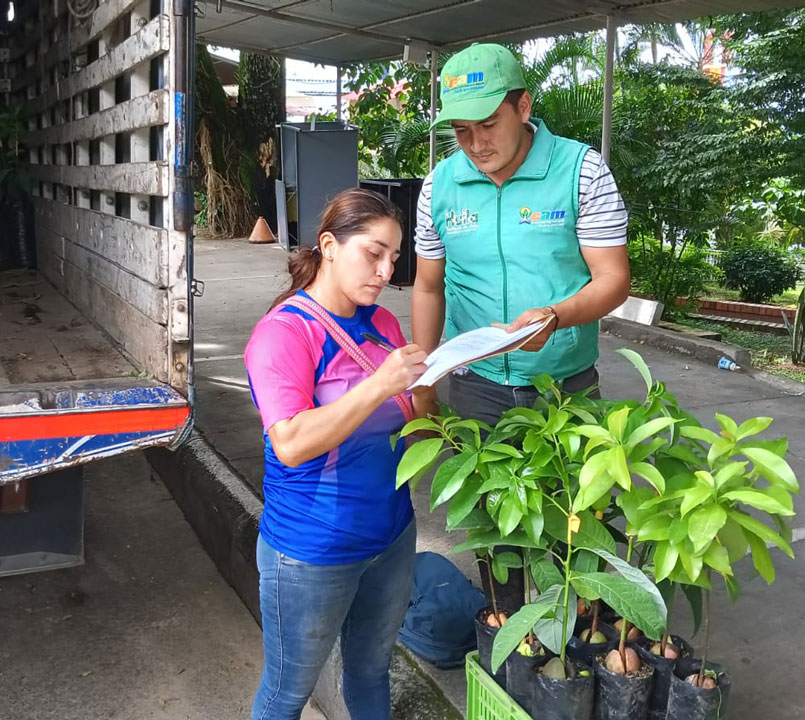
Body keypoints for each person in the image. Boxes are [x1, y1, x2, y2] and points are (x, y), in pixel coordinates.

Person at [243, 188, 434, 720]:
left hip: (392, 536)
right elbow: (291, 443)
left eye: (394, 257)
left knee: (372, 672)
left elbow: (417, 429)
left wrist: (431, 382)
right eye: (373, 253)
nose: (386, 271)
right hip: (312, 550)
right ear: (329, 246)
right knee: (286, 694)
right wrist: (381, 385)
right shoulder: (284, 333)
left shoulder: (383, 323)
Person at [412, 43, 631, 427]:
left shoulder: (582, 171)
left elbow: (613, 278)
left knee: (571, 470)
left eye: (489, 124)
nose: (476, 145)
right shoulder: (439, 186)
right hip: (474, 382)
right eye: (461, 130)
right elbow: (429, 287)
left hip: (565, 385)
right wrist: (423, 379)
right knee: (477, 468)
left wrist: (554, 317)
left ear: (524, 107)